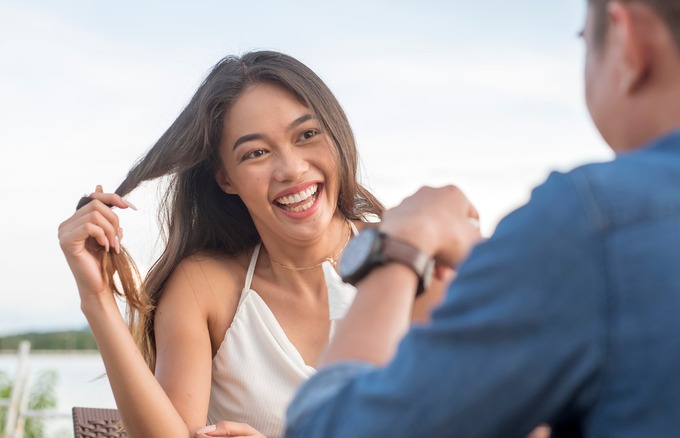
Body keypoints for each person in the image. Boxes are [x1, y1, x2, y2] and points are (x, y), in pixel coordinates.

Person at [284, 0, 680, 436]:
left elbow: (328, 428)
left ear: (629, 37)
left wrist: (399, 245)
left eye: (585, 39)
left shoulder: (593, 223)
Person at [58, 51, 445, 438]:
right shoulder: (205, 286)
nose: (291, 169)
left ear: (337, 134)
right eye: (256, 153)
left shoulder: (408, 255)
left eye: (307, 135)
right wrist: (98, 299)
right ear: (226, 179)